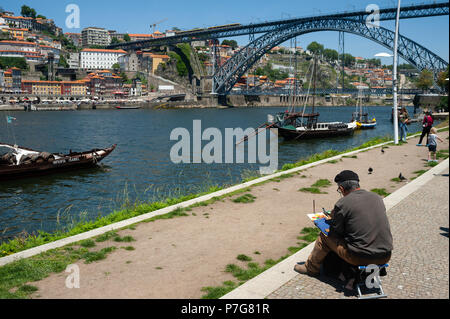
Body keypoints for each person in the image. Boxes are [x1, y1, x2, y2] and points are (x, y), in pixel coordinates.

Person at [294, 170, 393, 279]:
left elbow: (337, 231)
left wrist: (329, 221)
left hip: (360, 257)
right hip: (386, 256)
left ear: (341, 188)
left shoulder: (343, 203)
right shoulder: (377, 197)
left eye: (339, 190)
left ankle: (311, 268)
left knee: (324, 236)